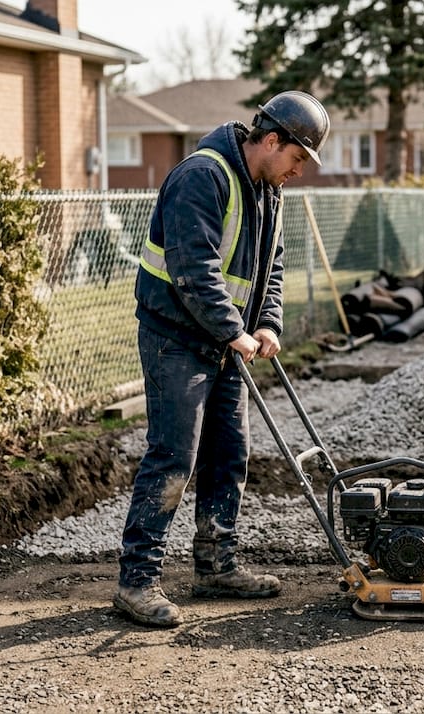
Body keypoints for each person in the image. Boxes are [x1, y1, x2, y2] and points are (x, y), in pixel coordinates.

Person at [115, 90, 330, 627]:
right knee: (173, 455)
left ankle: (216, 565)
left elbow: (270, 268)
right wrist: (235, 330)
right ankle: (136, 581)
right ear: (273, 140)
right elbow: (193, 270)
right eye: (298, 159)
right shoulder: (203, 176)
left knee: (230, 452)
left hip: (224, 340)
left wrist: (267, 323)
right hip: (176, 337)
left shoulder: (268, 190)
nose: (298, 172)